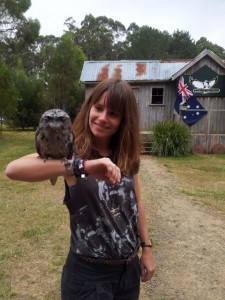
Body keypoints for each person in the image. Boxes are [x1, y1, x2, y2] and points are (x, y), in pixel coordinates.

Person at [5, 78, 156, 299]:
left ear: (124, 120)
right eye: (98, 108)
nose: (103, 117)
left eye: (113, 113)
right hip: (88, 278)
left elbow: (137, 204)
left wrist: (147, 248)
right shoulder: (70, 151)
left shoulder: (126, 155)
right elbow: (13, 169)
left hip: (128, 273)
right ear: (89, 108)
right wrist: (81, 166)